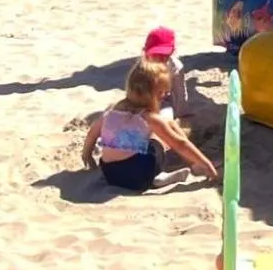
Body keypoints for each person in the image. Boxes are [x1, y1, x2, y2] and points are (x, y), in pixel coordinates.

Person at [81, 58, 217, 192]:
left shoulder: (111, 111)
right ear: (151, 95)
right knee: (162, 135)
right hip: (139, 177)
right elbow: (180, 144)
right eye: (162, 93)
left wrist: (87, 155)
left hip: (110, 174)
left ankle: (156, 178)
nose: (166, 95)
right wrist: (207, 164)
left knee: (137, 139)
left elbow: (92, 133)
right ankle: (181, 169)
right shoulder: (149, 118)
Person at [141, 26, 191, 124]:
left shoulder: (175, 67)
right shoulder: (142, 66)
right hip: (142, 102)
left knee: (165, 118)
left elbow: (179, 94)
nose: (161, 58)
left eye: (165, 55)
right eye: (156, 54)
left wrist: (179, 116)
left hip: (164, 102)